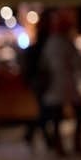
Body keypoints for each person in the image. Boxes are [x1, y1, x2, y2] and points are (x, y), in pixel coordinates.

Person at [38, 7, 81, 157]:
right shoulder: (67, 43)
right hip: (66, 84)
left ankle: (59, 148)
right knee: (78, 114)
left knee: (57, 118)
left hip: (55, 85)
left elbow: (44, 64)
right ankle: (76, 145)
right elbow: (78, 64)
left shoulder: (50, 42)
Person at [21, 9, 53, 151]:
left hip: (37, 80)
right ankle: (36, 134)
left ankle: (35, 134)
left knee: (43, 109)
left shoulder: (36, 46)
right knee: (44, 110)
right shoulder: (45, 43)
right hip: (41, 80)